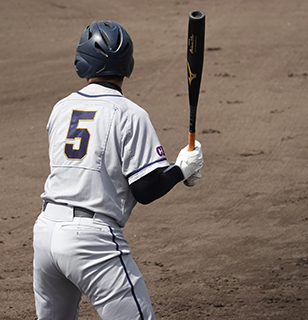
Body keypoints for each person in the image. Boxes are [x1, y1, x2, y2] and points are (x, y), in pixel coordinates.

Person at [33, 20, 203, 320]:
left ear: (81, 61)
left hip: (46, 232)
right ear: (129, 64)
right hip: (91, 241)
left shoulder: (59, 109)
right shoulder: (130, 114)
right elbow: (145, 190)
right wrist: (181, 170)